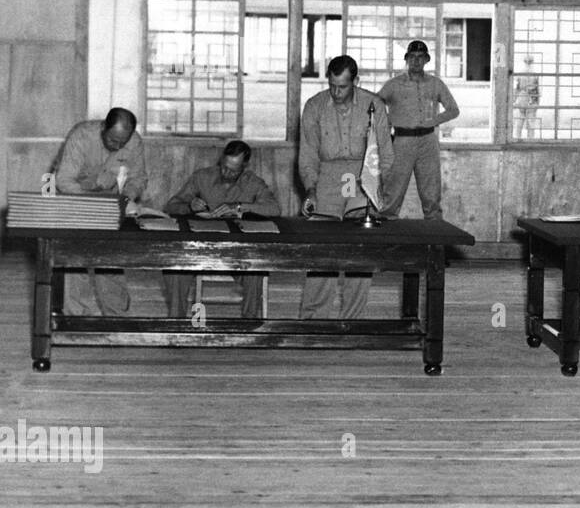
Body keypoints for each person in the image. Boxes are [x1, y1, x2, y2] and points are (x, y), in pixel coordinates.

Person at [299, 55, 394, 319]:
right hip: (328, 177)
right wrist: (310, 189)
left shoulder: (374, 105)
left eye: (342, 86)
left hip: (362, 177)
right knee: (322, 251)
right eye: (332, 85)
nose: (336, 92)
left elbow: (385, 154)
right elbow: (307, 154)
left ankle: (352, 320)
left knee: (359, 251)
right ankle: (313, 320)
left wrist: (376, 189)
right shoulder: (314, 106)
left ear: (355, 81)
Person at [160, 140, 281, 319]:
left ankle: (249, 324)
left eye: (233, 171)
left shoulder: (253, 183)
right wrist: (189, 206)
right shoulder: (202, 177)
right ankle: (176, 324)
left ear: (244, 166)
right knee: (175, 267)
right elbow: (171, 206)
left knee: (257, 267)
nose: (226, 173)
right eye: (224, 167)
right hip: (200, 249)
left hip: (238, 251)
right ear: (221, 160)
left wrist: (241, 207)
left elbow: (275, 209)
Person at [53, 107, 148, 315]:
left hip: (111, 203)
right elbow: (63, 180)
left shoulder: (134, 141)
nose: (117, 146)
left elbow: (138, 179)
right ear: (103, 127)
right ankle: (77, 316)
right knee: (75, 260)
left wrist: (126, 199)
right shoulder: (82, 135)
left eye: (123, 143)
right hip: (76, 199)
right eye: (113, 140)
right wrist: (93, 205)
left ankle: (116, 316)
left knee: (110, 258)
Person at [377, 39, 459, 219]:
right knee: (392, 191)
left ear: (427, 60)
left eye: (421, 57)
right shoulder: (394, 84)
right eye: (412, 57)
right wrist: (388, 122)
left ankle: (435, 243)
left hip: (428, 141)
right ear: (406, 59)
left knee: (431, 194)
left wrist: (433, 121)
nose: (416, 61)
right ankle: (384, 241)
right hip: (402, 142)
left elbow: (453, 110)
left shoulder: (435, 83)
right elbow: (375, 106)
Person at [513, 56, 540, 139]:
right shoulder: (535, 73)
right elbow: (537, 88)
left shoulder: (520, 73)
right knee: (531, 119)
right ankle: (530, 138)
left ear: (524, 62)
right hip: (532, 96)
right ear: (532, 62)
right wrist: (537, 101)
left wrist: (514, 99)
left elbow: (516, 87)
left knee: (520, 118)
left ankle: (517, 137)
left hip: (522, 95)